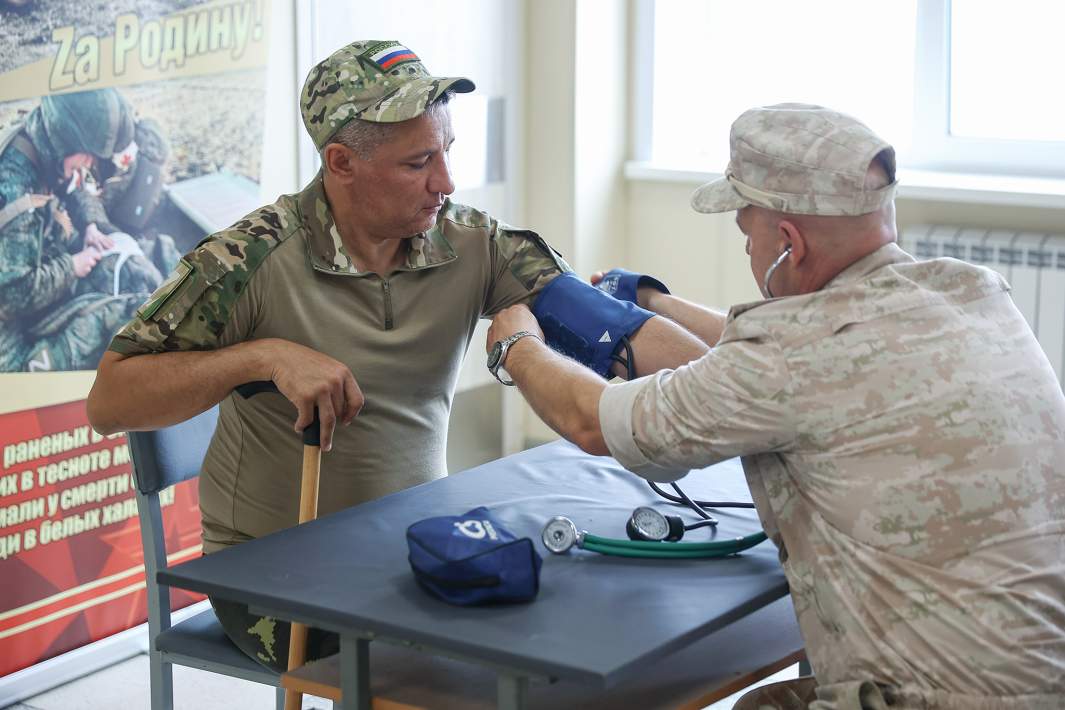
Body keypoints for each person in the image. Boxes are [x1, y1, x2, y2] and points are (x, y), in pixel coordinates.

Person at [86, 39, 699, 671]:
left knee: (568, 627)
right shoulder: (249, 260)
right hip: (273, 568)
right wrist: (261, 357)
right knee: (454, 668)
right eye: (418, 163)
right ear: (341, 162)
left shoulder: (468, 241)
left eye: (447, 152)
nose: (446, 181)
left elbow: (613, 329)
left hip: (411, 539)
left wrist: (724, 387)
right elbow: (111, 400)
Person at [486, 104, 1065, 709]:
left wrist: (517, 346)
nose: (747, 251)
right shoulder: (973, 293)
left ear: (789, 242)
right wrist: (656, 301)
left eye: (747, 233)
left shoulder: (791, 358)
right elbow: (789, 360)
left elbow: (593, 420)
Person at [0, 88, 152, 372]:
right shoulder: (13, 187)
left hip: (28, 265)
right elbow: (12, 296)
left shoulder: (40, 140)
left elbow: (73, 184)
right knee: (80, 340)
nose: (91, 164)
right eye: (89, 155)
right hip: (8, 315)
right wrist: (72, 266)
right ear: (65, 139)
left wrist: (90, 225)